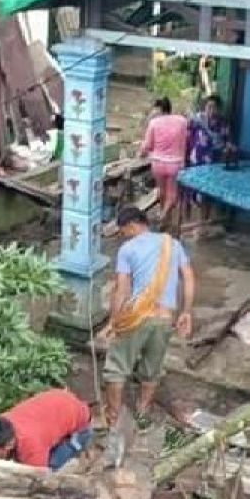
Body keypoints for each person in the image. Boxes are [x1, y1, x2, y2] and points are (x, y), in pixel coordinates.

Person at [100, 204, 195, 424]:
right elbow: (188, 278)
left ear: (132, 226)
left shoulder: (127, 249)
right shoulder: (172, 244)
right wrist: (186, 312)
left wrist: (114, 322)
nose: (123, 237)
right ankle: (143, 412)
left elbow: (121, 288)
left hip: (137, 315)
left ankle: (113, 417)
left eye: (123, 232)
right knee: (153, 368)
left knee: (116, 367)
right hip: (164, 318)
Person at [0, 388, 93, 470]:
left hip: (80, 427)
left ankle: (79, 457)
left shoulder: (32, 448)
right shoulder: (1, 422)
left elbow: (37, 479)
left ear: (9, 444)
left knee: (52, 466)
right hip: (61, 402)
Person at [139, 97, 189, 226]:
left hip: (158, 164)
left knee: (162, 191)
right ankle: (165, 216)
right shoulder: (182, 121)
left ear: (160, 109)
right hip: (175, 164)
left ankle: (163, 216)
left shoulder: (154, 123)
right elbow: (186, 137)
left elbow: (148, 145)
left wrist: (141, 152)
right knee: (172, 194)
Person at [186, 96, 232, 224]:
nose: (211, 110)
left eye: (214, 107)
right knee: (195, 189)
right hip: (197, 160)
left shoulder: (222, 123)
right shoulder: (198, 119)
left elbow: (227, 140)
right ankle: (199, 219)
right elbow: (187, 132)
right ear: (205, 107)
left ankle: (204, 220)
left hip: (213, 162)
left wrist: (228, 148)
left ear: (218, 109)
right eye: (208, 106)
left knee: (207, 191)